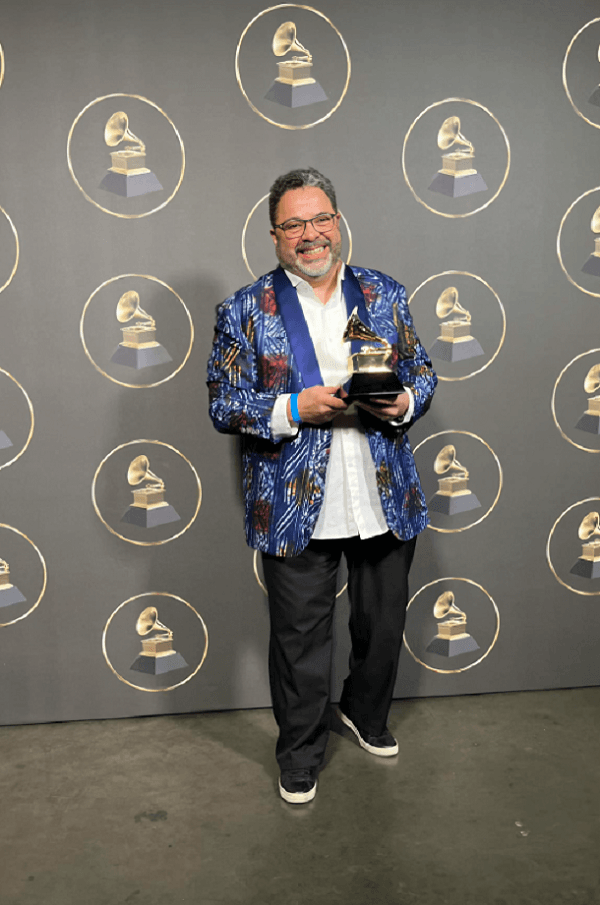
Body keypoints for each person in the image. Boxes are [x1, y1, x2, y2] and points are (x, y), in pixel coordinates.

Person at [207, 168, 436, 804]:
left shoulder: (385, 294)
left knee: (382, 625)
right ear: (275, 235)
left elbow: (421, 369)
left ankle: (365, 714)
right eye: (294, 224)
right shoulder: (245, 310)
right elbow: (225, 404)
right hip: (292, 503)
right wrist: (291, 409)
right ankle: (301, 751)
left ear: (337, 220)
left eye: (320, 219)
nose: (310, 235)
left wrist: (407, 401)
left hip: (383, 489)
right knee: (301, 640)